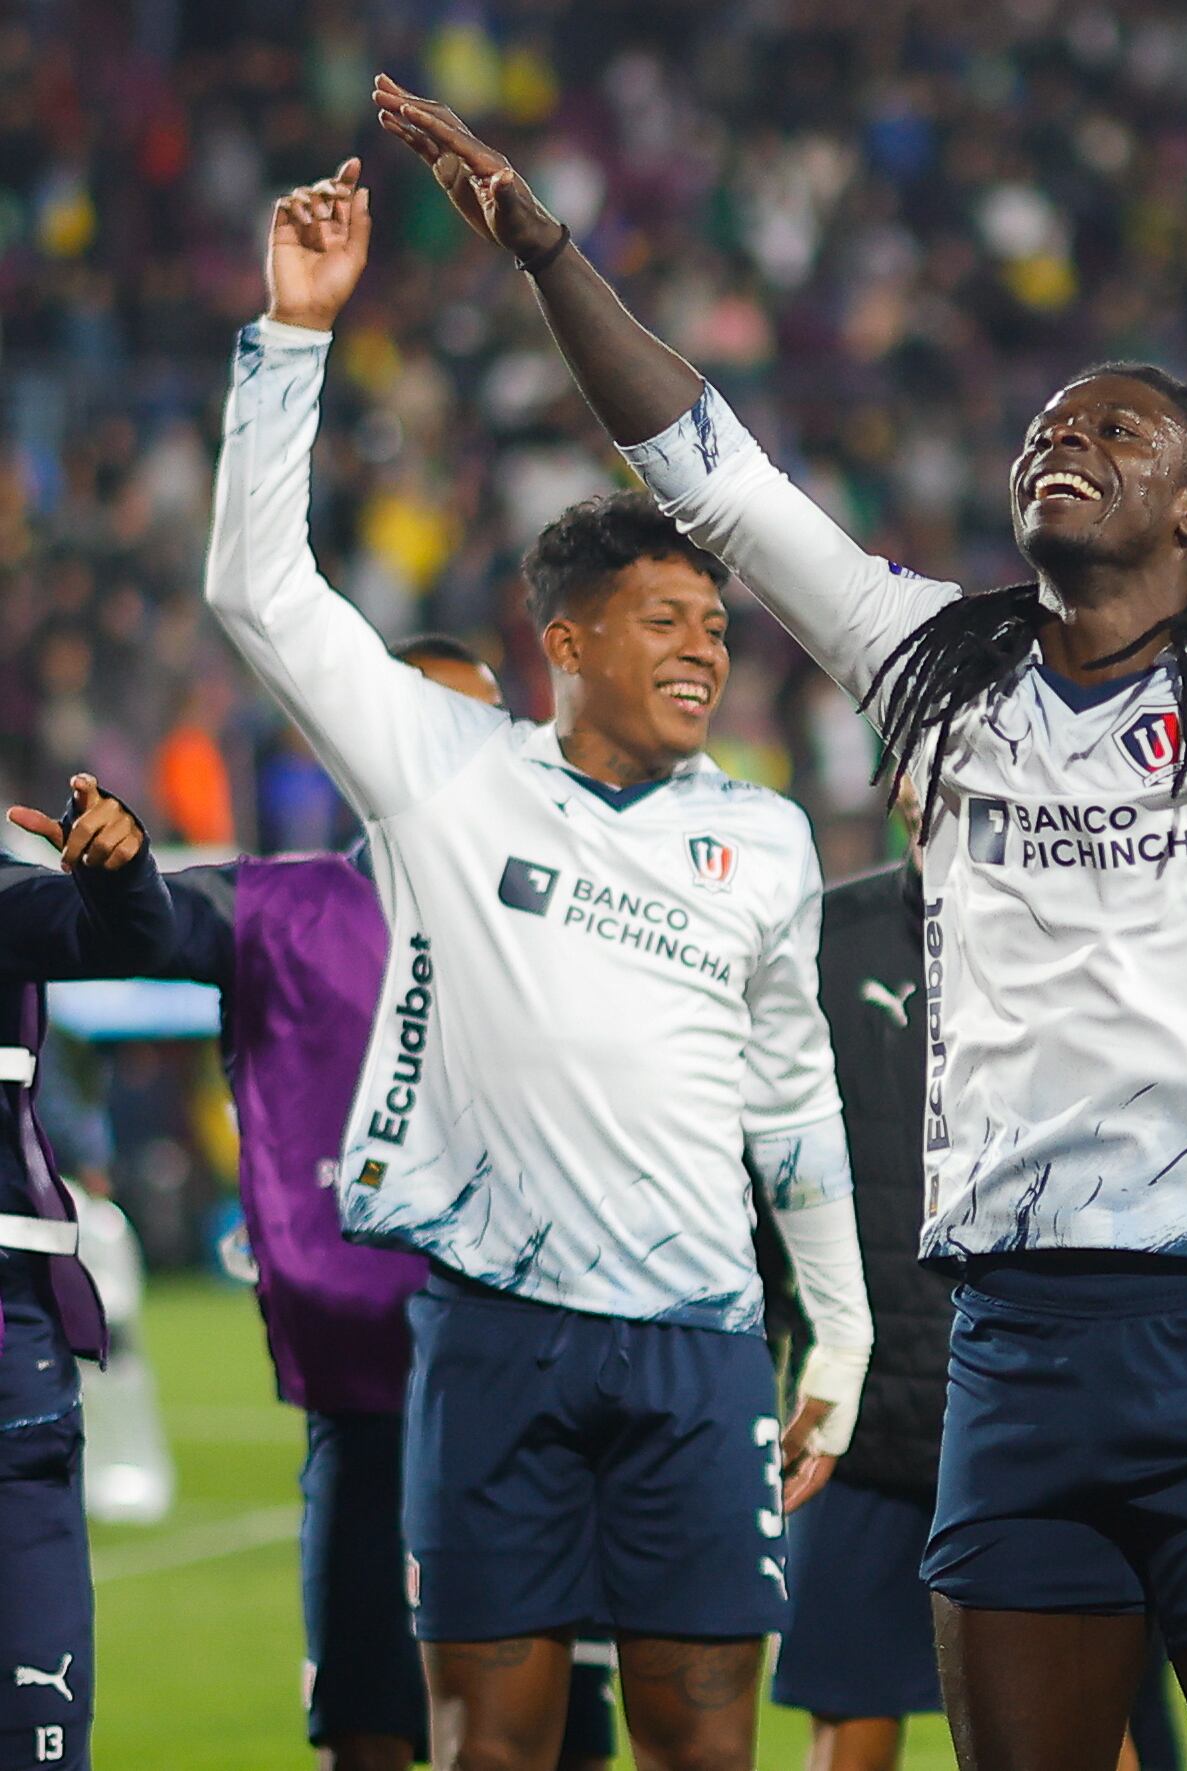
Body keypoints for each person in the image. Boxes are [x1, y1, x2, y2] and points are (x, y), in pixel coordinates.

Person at [373, 42, 1187, 1771]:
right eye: (1047, 428)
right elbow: (710, 467)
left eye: (1112, 432)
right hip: (1017, 1344)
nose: (1061, 441)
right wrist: (549, 255)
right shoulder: (934, 671)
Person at [204, 163, 869, 1771]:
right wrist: (293, 339)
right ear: (566, 643)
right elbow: (257, 594)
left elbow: (791, 1101)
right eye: (664, 619)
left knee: (703, 1739)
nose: (706, 645)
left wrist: (835, 1328)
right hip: (495, 1325)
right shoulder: (449, 770)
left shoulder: (767, 842)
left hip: (703, 1341)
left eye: (715, 620)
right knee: (489, 1740)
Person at [149, 635, 617, 1771]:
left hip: (546, 1401)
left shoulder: (579, 909)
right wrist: (117, 875)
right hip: (369, 1406)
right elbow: (139, 923)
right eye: (433, 722)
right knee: (370, 1737)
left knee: (553, 1742)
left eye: (490, 728)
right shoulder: (283, 909)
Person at [0, 776, 175, 1771]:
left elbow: (129, 937)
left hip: (10, 1368)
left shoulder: (7, 903)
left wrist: (119, 870)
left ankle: (133, 1465)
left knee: (38, 1739)